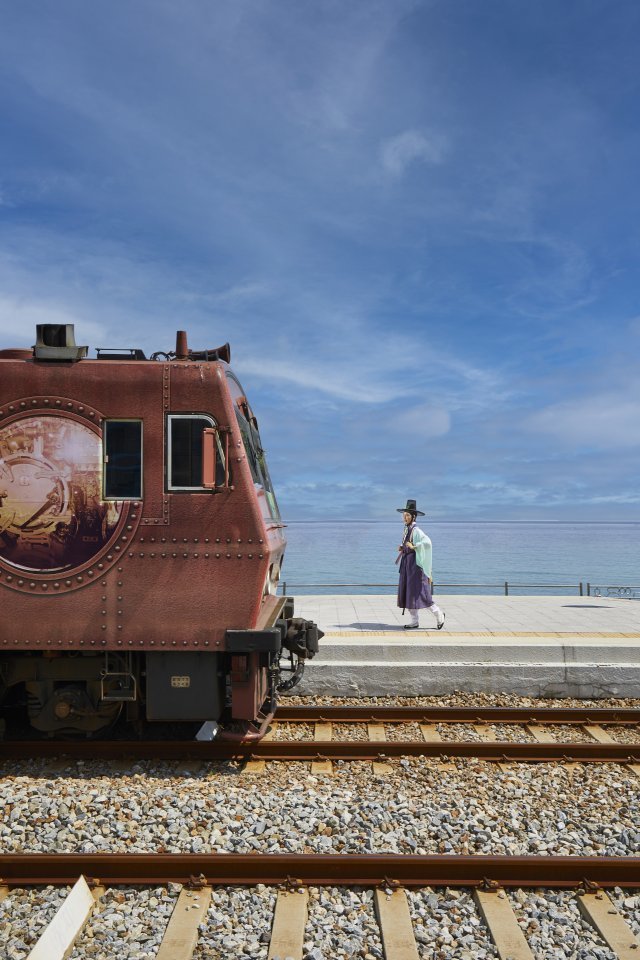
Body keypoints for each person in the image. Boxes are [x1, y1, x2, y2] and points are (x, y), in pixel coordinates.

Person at [396, 499, 445, 629]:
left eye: (407, 515)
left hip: (415, 568)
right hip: (407, 567)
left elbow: (427, 543)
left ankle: (439, 614)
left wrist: (414, 546)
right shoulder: (407, 530)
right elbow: (408, 545)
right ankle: (414, 621)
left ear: (414, 516)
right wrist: (403, 547)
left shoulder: (416, 530)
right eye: (404, 515)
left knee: (421, 593)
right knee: (409, 594)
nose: (405, 517)